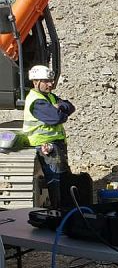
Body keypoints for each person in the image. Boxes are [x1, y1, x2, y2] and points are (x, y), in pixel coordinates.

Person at [22, 65, 75, 209]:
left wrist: (61, 107)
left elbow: (70, 106)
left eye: (51, 80)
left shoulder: (49, 96)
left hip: (55, 145)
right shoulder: (37, 101)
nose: (51, 84)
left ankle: (62, 209)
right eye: (46, 81)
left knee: (63, 178)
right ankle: (58, 210)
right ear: (35, 82)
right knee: (56, 181)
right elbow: (56, 118)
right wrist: (61, 112)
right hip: (45, 146)